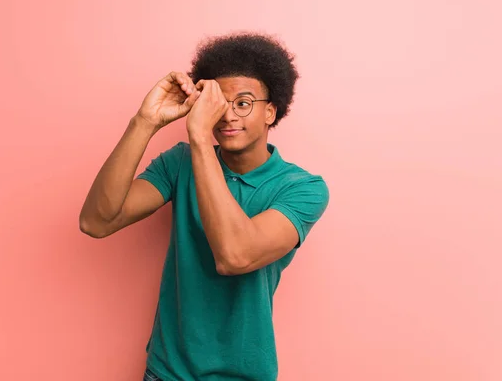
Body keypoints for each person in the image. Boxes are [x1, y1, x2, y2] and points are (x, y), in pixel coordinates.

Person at [79, 32, 330, 381]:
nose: (228, 116)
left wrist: (198, 136)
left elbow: (235, 256)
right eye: (218, 103)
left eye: (243, 103)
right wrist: (145, 120)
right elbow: (96, 221)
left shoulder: (302, 189)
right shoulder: (179, 163)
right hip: (167, 372)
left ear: (271, 111)